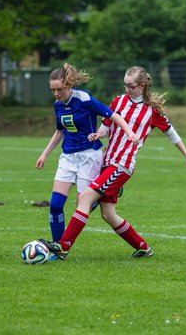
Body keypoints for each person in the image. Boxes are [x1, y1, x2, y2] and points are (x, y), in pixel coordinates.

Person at [39, 65, 186, 260]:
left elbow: (171, 133)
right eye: (125, 85)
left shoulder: (151, 111)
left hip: (122, 165)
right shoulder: (118, 101)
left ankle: (62, 246)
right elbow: (106, 126)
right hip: (107, 162)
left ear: (141, 85)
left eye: (130, 86)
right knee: (108, 214)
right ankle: (144, 248)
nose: (127, 89)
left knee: (86, 198)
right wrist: (98, 133)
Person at [36, 63, 138, 258]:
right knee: (56, 204)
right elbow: (60, 132)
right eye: (53, 90)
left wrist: (130, 132)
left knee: (82, 205)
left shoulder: (84, 99)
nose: (56, 94)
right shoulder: (58, 105)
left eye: (60, 89)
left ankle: (107, 191)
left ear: (69, 85)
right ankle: (59, 249)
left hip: (89, 157)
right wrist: (44, 154)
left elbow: (113, 115)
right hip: (67, 157)